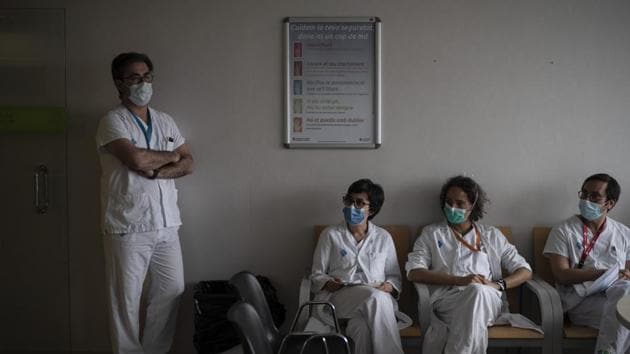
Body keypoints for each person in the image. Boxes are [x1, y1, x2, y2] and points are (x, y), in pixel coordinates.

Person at [96, 52, 194, 354]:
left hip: (167, 224)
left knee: (172, 289)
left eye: (147, 76)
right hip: (128, 225)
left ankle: (154, 351)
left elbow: (189, 163)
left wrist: (160, 165)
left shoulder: (165, 120)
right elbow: (136, 159)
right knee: (125, 300)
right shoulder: (112, 121)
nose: (143, 82)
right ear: (119, 83)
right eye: (135, 77)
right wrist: (171, 157)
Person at [407, 175, 532, 354]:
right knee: (472, 307)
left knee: (477, 291)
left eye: (460, 203)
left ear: (473, 206)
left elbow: (525, 270)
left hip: (488, 299)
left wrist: (498, 284)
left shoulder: (492, 235)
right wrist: (459, 280)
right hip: (447, 301)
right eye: (448, 202)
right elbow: (414, 272)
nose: (452, 208)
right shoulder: (431, 234)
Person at [310, 178, 404, 354]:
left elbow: (394, 276)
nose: (352, 207)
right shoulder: (330, 235)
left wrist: (388, 285)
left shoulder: (383, 238)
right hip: (340, 298)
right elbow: (316, 275)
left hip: (373, 301)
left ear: (372, 210)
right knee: (377, 298)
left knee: (360, 328)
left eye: (360, 203)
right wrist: (329, 283)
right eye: (349, 201)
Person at [543, 173, 630, 354]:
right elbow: (561, 274)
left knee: (623, 290)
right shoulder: (563, 230)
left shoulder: (623, 233)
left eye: (594, 196)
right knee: (623, 310)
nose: (586, 199)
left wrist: (624, 274)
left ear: (610, 203)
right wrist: (606, 274)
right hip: (581, 300)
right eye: (583, 194)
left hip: (619, 296)